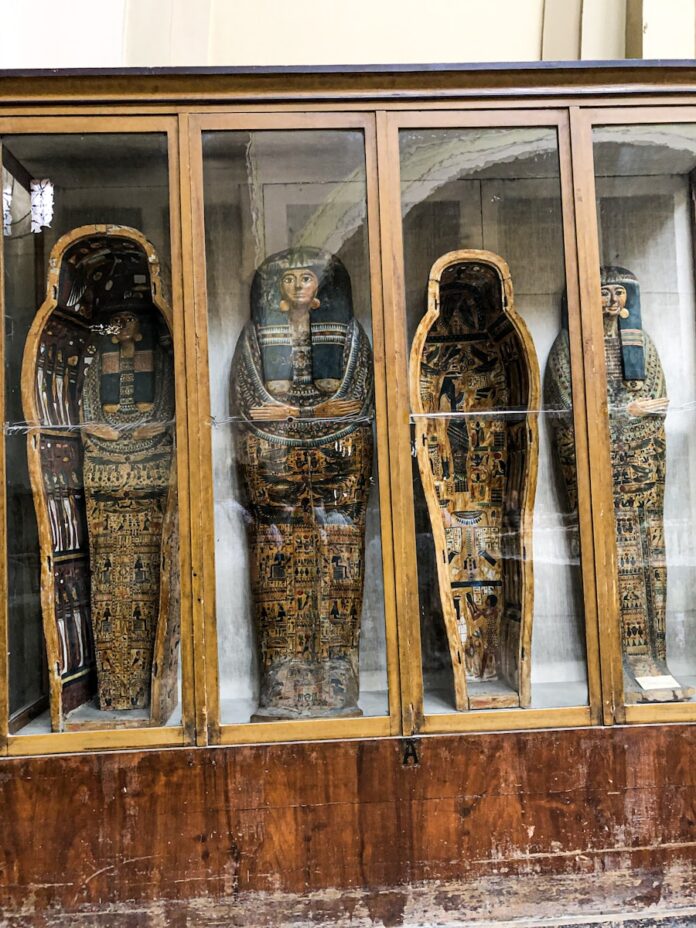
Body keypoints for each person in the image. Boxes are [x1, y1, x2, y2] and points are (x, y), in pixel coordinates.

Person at [231, 247, 374, 720]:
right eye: (289, 279)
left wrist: (300, 413)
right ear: (277, 289)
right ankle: (282, 670)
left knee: (339, 551)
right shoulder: (255, 336)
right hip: (275, 457)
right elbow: (250, 401)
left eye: (306, 278)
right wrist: (305, 413)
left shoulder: (350, 335)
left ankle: (337, 669)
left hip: (338, 456)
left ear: (320, 290)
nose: (297, 286)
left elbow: (356, 398)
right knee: (276, 553)